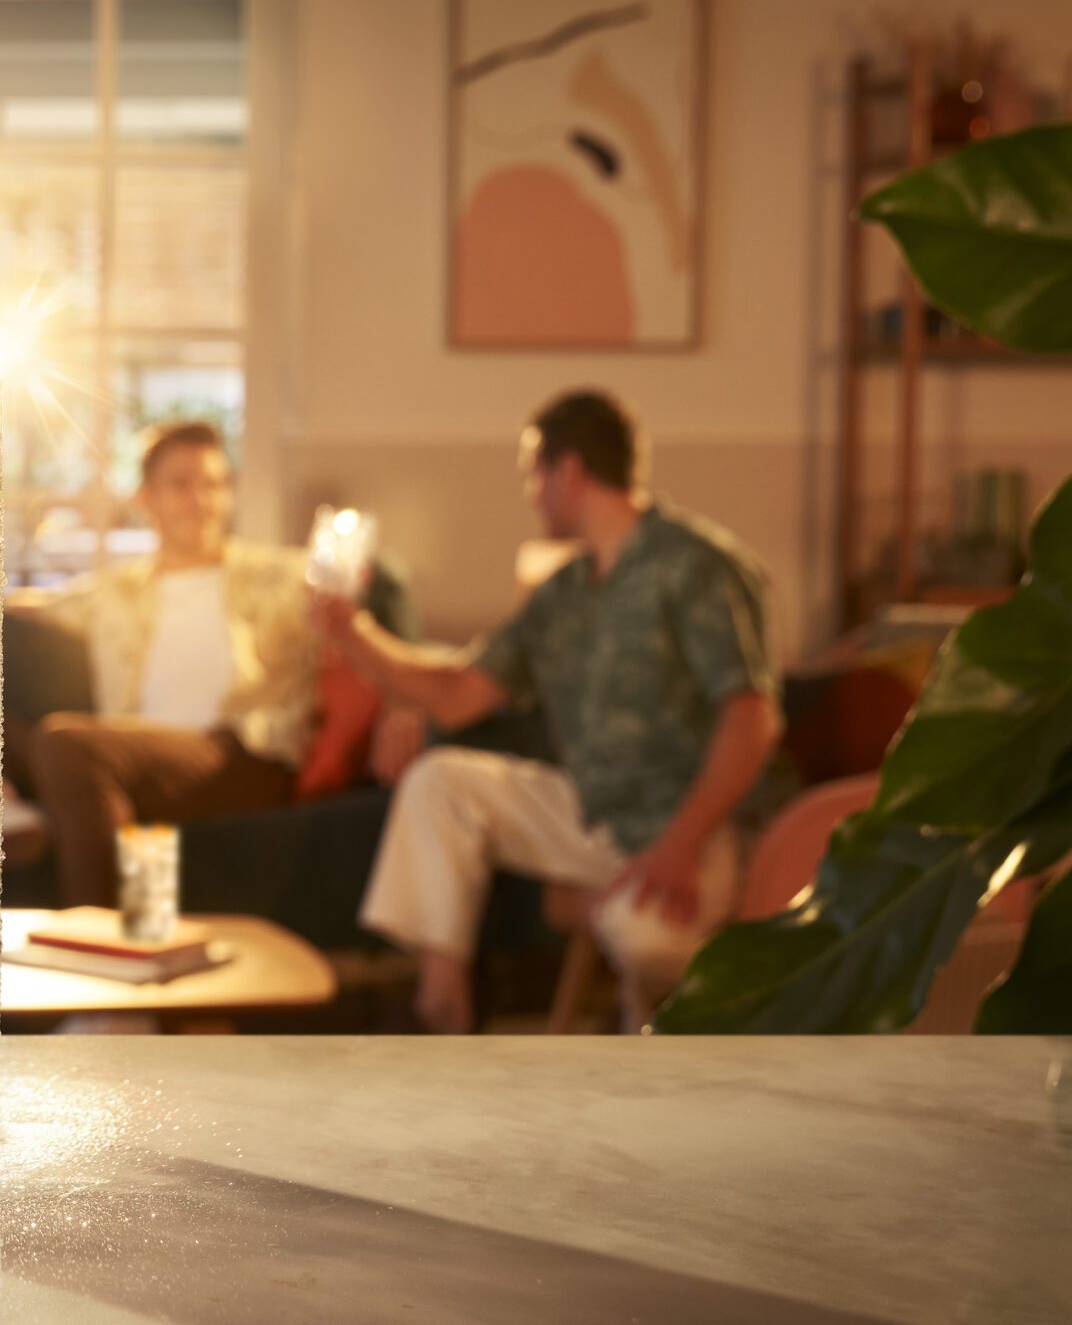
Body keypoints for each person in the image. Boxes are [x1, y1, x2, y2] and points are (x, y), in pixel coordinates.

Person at [316, 390, 782, 1033]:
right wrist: (353, 633)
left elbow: (751, 718)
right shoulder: (563, 595)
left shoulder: (697, 567)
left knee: (646, 940)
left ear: (568, 470)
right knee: (441, 781)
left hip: (691, 824)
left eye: (533, 473)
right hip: (594, 814)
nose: (531, 492)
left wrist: (681, 844)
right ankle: (441, 1010)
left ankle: (650, 1051)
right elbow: (458, 693)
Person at [21, 421, 325, 906]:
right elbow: (31, 609)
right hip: (144, 763)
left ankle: (101, 938)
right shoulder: (116, 592)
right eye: (181, 484)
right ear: (146, 498)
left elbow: (358, 627)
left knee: (66, 744)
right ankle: (145, 927)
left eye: (214, 484)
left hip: (241, 753)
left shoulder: (283, 576)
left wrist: (404, 706)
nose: (201, 500)